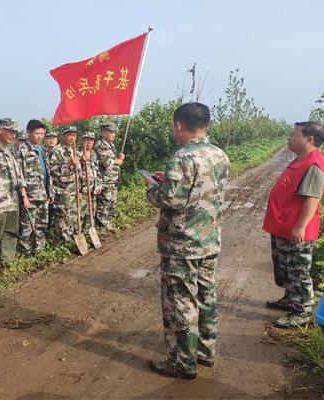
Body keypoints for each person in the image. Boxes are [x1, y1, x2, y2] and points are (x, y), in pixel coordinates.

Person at [145, 102, 230, 379]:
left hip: (182, 244)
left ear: (179, 125)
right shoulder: (219, 155)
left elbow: (171, 199)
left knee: (180, 302)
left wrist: (153, 189)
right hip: (208, 239)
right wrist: (167, 183)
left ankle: (182, 363)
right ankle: (205, 352)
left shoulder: (182, 157)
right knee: (206, 296)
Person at [263, 122, 324, 328]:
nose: (289, 138)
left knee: (298, 270)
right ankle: (291, 299)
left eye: (294, 135)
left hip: (296, 229)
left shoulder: (314, 165)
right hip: (284, 226)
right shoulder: (301, 160)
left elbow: (312, 198)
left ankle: (302, 310)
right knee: (286, 267)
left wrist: (300, 226)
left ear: (309, 139)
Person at [0, 118, 28, 270]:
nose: (14, 135)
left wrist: (24, 195)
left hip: (12, 200)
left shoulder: (8, 150)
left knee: (10, 232)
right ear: (0, 130)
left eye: (15, 132)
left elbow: (18, 175)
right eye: (10, 131)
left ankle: (7, 263)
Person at [17, 119, 53, 255]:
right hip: (30, 196)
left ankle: (39, 250)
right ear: (28, 132)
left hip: (43, 194)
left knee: (42, 224)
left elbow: (47, 172)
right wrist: (24, 196)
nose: (40, 136)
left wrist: (50, 192)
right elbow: (19, 176)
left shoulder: (42, 150)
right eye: (37, 133)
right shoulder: (22, 151)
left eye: (42, 134)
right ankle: (26, 253)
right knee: (27, 226)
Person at [48, 126, 80, 243]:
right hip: (62, 191)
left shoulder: (75, 152)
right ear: (63, 136)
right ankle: (62, 242)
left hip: (73, 190)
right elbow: (52, 171)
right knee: (62, 217)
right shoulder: (57, 152)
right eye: (69, 135)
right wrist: (68, 165)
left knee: (72, 215)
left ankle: (71, 238)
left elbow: (78, 173)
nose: (72, 138)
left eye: (74, 135)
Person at [94, 123, 124, 231]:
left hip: (112, 179)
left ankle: (107, 224)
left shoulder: (111, 145)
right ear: (103, 133)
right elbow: (105, 162)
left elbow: (112, 159)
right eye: (110, 132)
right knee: (104, 203)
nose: (113, 134)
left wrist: (119, 158)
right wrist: (118, 161)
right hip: (105, 180)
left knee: (111, 202)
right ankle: (101, 227)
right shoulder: (100, 145)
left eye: (114, 132)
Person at [78, 131, 101, 229]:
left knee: (91, 211)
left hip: (93, 189)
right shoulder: (78, 153)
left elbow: (97, 170)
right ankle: (78, 231)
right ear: (82, 141)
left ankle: (88, 231)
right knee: (81, 212)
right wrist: (81, 161)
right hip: (82, 189)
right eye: (87, 140)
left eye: (91, 140)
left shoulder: (94, 154)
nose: (89, 142)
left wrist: (99, 185)